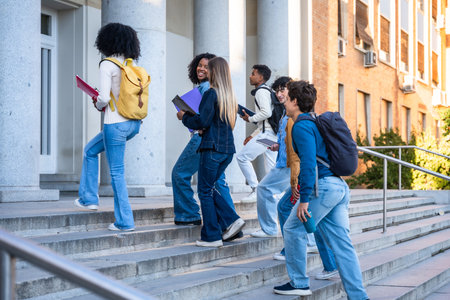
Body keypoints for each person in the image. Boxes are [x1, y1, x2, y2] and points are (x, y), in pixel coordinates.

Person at [273, 80, 368, 299]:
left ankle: (299, 282)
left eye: (286, 99)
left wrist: (304, 200)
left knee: (292, 228)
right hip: (338, 187)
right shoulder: (315, 122)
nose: (284, 103)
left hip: (322, 188)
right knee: (343, 246)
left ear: (295, 101)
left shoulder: (302, 126)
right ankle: (359, 296)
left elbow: (308, 163)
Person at [74, 23, 143, 232]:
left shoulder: (107, 64)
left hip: (115, 125)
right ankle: (88, 198)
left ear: (106, 41)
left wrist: (97, 102)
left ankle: (124, 221)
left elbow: (103, 98)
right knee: (90, 150)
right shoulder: (129, 65)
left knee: (116, 173)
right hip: (133, 123)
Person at [178, 57, 245, 247]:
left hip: (212, 148)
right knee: (211, 188)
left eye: (209, 69)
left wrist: (185, 117)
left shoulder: (211, 94)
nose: (206, 71)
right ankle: (231, 220)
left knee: (204, 191)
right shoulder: (229, 96)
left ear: (215, 72)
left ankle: (212, 236)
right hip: (227, 150)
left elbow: (202, 122)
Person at [250, 76, 291, 238]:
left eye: (283, 90)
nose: (279, 94)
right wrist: (278, 146)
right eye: (277, 91)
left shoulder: (292, 115)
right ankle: (309, 242)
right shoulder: (284, 113)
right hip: (285, 162)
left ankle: (269, 228)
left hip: (288, 165)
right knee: (289, 204)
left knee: (264, 188)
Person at [237, 65, 277, 202]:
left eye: (253, 73)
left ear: (260, 77)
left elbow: (267, 113)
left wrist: (250, 118)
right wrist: (253, 135)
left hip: (267, 135)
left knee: (242, 157)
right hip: (272, 134)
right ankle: (275, 195)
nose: (250, 76)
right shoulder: (268, 91)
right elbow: (266, 119)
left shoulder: (261, 92)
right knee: (271, 166)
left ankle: (255, 189)